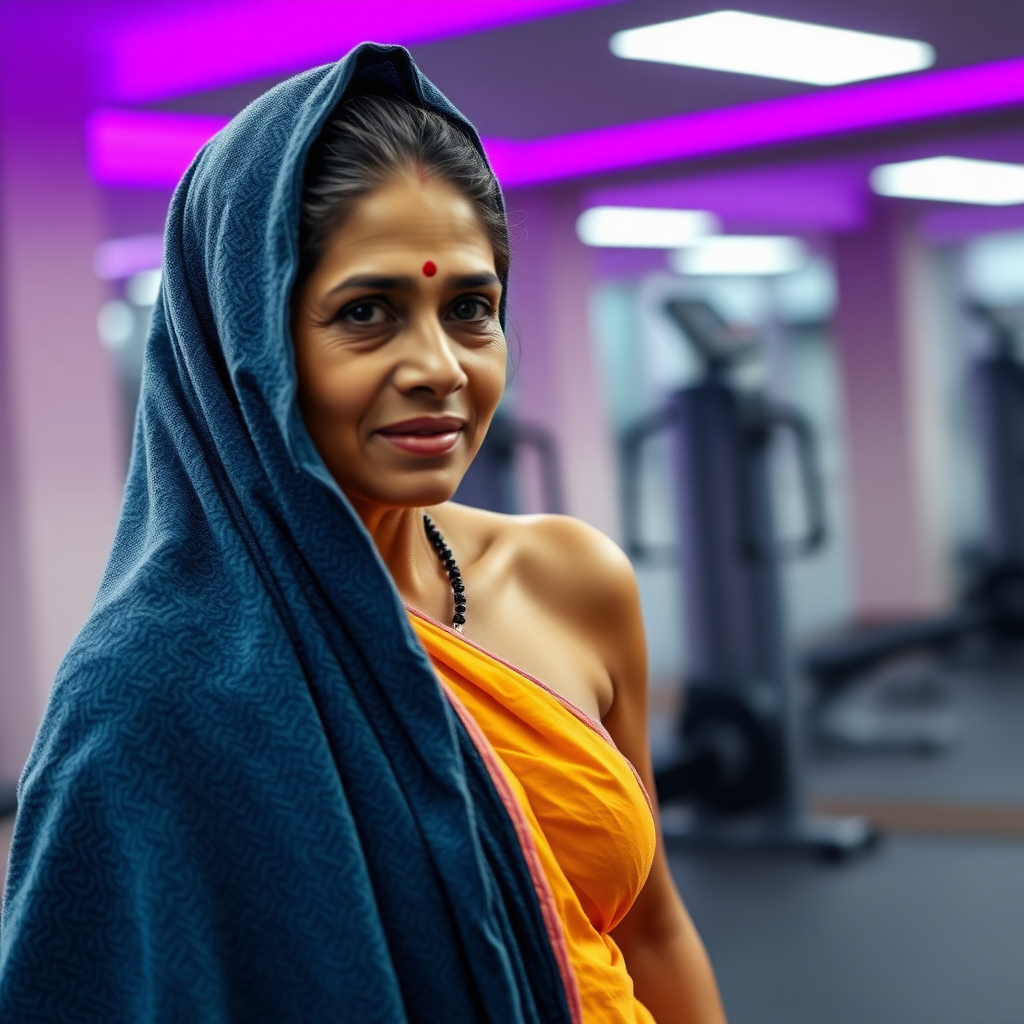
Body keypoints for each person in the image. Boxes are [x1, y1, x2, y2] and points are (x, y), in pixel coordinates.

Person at [0, 44, 726, 1024]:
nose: (438, 366)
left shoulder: (574, 577)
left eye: (470, 308)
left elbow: (651, 929)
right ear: (251, 345)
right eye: (367, 312)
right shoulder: (148, 695)